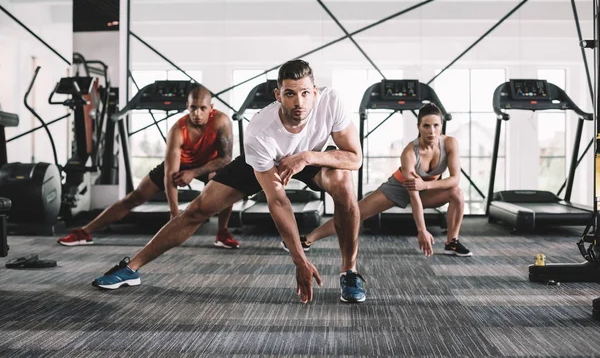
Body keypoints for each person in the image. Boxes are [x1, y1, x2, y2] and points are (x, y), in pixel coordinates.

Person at [91, 59, 366, 304]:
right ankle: (131, 268)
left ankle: (349, 272)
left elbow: (355, 158)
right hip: (266, 162)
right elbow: (278, 200)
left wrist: (306, 156)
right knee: (198, 209)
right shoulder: (260, 131)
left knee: (343, 183)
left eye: (305, 93)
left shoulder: (331, 102)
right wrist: (299, 258)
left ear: (314, 92)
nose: (299, 102)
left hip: (312, 157)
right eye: (290, 94)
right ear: (278, 95)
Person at [58, 85, 239, 249]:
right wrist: (175, 215)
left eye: (203, 108)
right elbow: (170, 175)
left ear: (211, 108)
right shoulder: (177, 130)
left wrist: (193, 172)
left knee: (228, 182)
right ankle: (84, 232)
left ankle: (222, 232)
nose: (197, 113)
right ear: (187, 106)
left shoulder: (221, 121)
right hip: (181, 165)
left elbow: (225, 158)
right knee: (134, 197)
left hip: (209, 164)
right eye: (193, 108)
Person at [283, 102, 472, 258]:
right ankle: (306, 240)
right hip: (398, 188)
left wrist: (427, 184)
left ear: (441, 126)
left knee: (457, 193)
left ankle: (451, 242)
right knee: (355, 214)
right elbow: (413, 195)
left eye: (436, 125)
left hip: (426, 190)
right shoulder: (409, 152)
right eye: (426, 126)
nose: (432, 131)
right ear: (418, 127)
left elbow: (455, 179)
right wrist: (421, 230)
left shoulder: (449, 143)